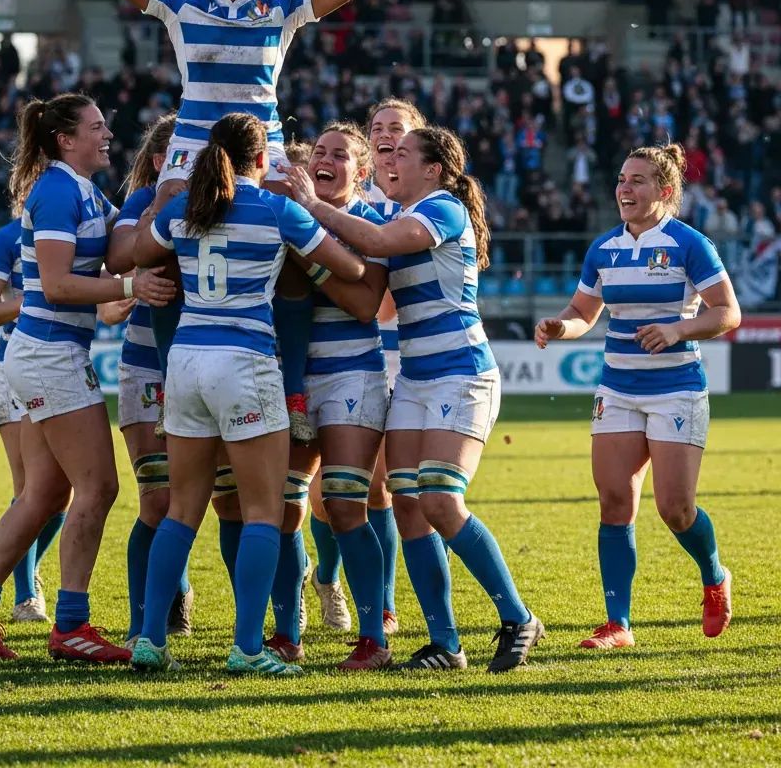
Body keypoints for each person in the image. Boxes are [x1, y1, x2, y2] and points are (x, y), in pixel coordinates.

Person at [22, 0, 434, 434]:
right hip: (193, 151)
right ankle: (175, 386)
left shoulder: (283, 6)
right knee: (163, 258)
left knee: (289, 256)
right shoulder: (180, 1)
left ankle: (289, 395)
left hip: (264, 153)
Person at [286, 126, 544, 672]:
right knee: (408, 507)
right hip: (414, 379)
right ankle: (445, 644)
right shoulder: (390, 216)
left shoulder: (444, 208)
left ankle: (518, 616)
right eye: (387, 152)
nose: (390, 159)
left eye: (403, 153)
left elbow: (378, 246)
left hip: (461, 373)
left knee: (441, 501)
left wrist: (309, 204)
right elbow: (369, 255)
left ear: (434, 170)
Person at [127, 113, 367, 675]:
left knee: (182, 510)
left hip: (184, 361)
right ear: (264, 160)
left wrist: (166, 197)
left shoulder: (185, 207)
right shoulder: (276, 209)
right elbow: (352, 267)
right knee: (264, 511)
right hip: (246, 360)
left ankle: (150, 642)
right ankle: (248, 649)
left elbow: (139, 252)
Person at [0, 94, 176, 661]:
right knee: (100, 488)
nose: (107, 133)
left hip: (48, 352)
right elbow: (55, 285)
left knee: (46, 492)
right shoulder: (55, 190)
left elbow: (112, 258)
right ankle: (71, 624)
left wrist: (158, 210)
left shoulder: (84, 190)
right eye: (96, 127)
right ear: (65, 140)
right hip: (49, 353)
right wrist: (130, 289)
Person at [535, 143, 741, 649]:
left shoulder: (690, 244)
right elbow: (584, 312)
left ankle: (714, 576)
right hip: (618, 388)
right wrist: (559, 327)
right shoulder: (603, 247)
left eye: (638, 181)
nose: (624, 189)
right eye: (622, 179)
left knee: (675, 509)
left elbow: (728, 312)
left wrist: (678, 330)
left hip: (675, 390)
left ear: (664, 191)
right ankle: (617, 624)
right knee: (614, 502)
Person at [290, 122, 394, 670]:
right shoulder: (289, 212)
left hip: (352, 375)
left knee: (345, 504)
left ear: (362, 170)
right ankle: (286, 632)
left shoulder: (375, 224)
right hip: (289, 379)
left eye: (339, 155)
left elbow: (364, 305)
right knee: (284, 507)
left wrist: (307, 256)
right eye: (319, 152)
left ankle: (374, 634)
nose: (325, 160)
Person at [103, 113, 194, 645]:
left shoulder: (223, 203)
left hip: (215, 366)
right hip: (147, 366)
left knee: (210, 499)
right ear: (161, 161)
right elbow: (114, 267)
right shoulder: (139, 205)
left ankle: (260, 625)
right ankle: (146, 623)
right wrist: (132, 287)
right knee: (157, 501)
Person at [0, 217, 66, 623]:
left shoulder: (78, 231)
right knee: (30, 486)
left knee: (63, 492)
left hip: (64, 365)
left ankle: (26, 568)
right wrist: (28, 303)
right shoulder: (7, 238)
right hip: (16, 366)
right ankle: (26, 594)